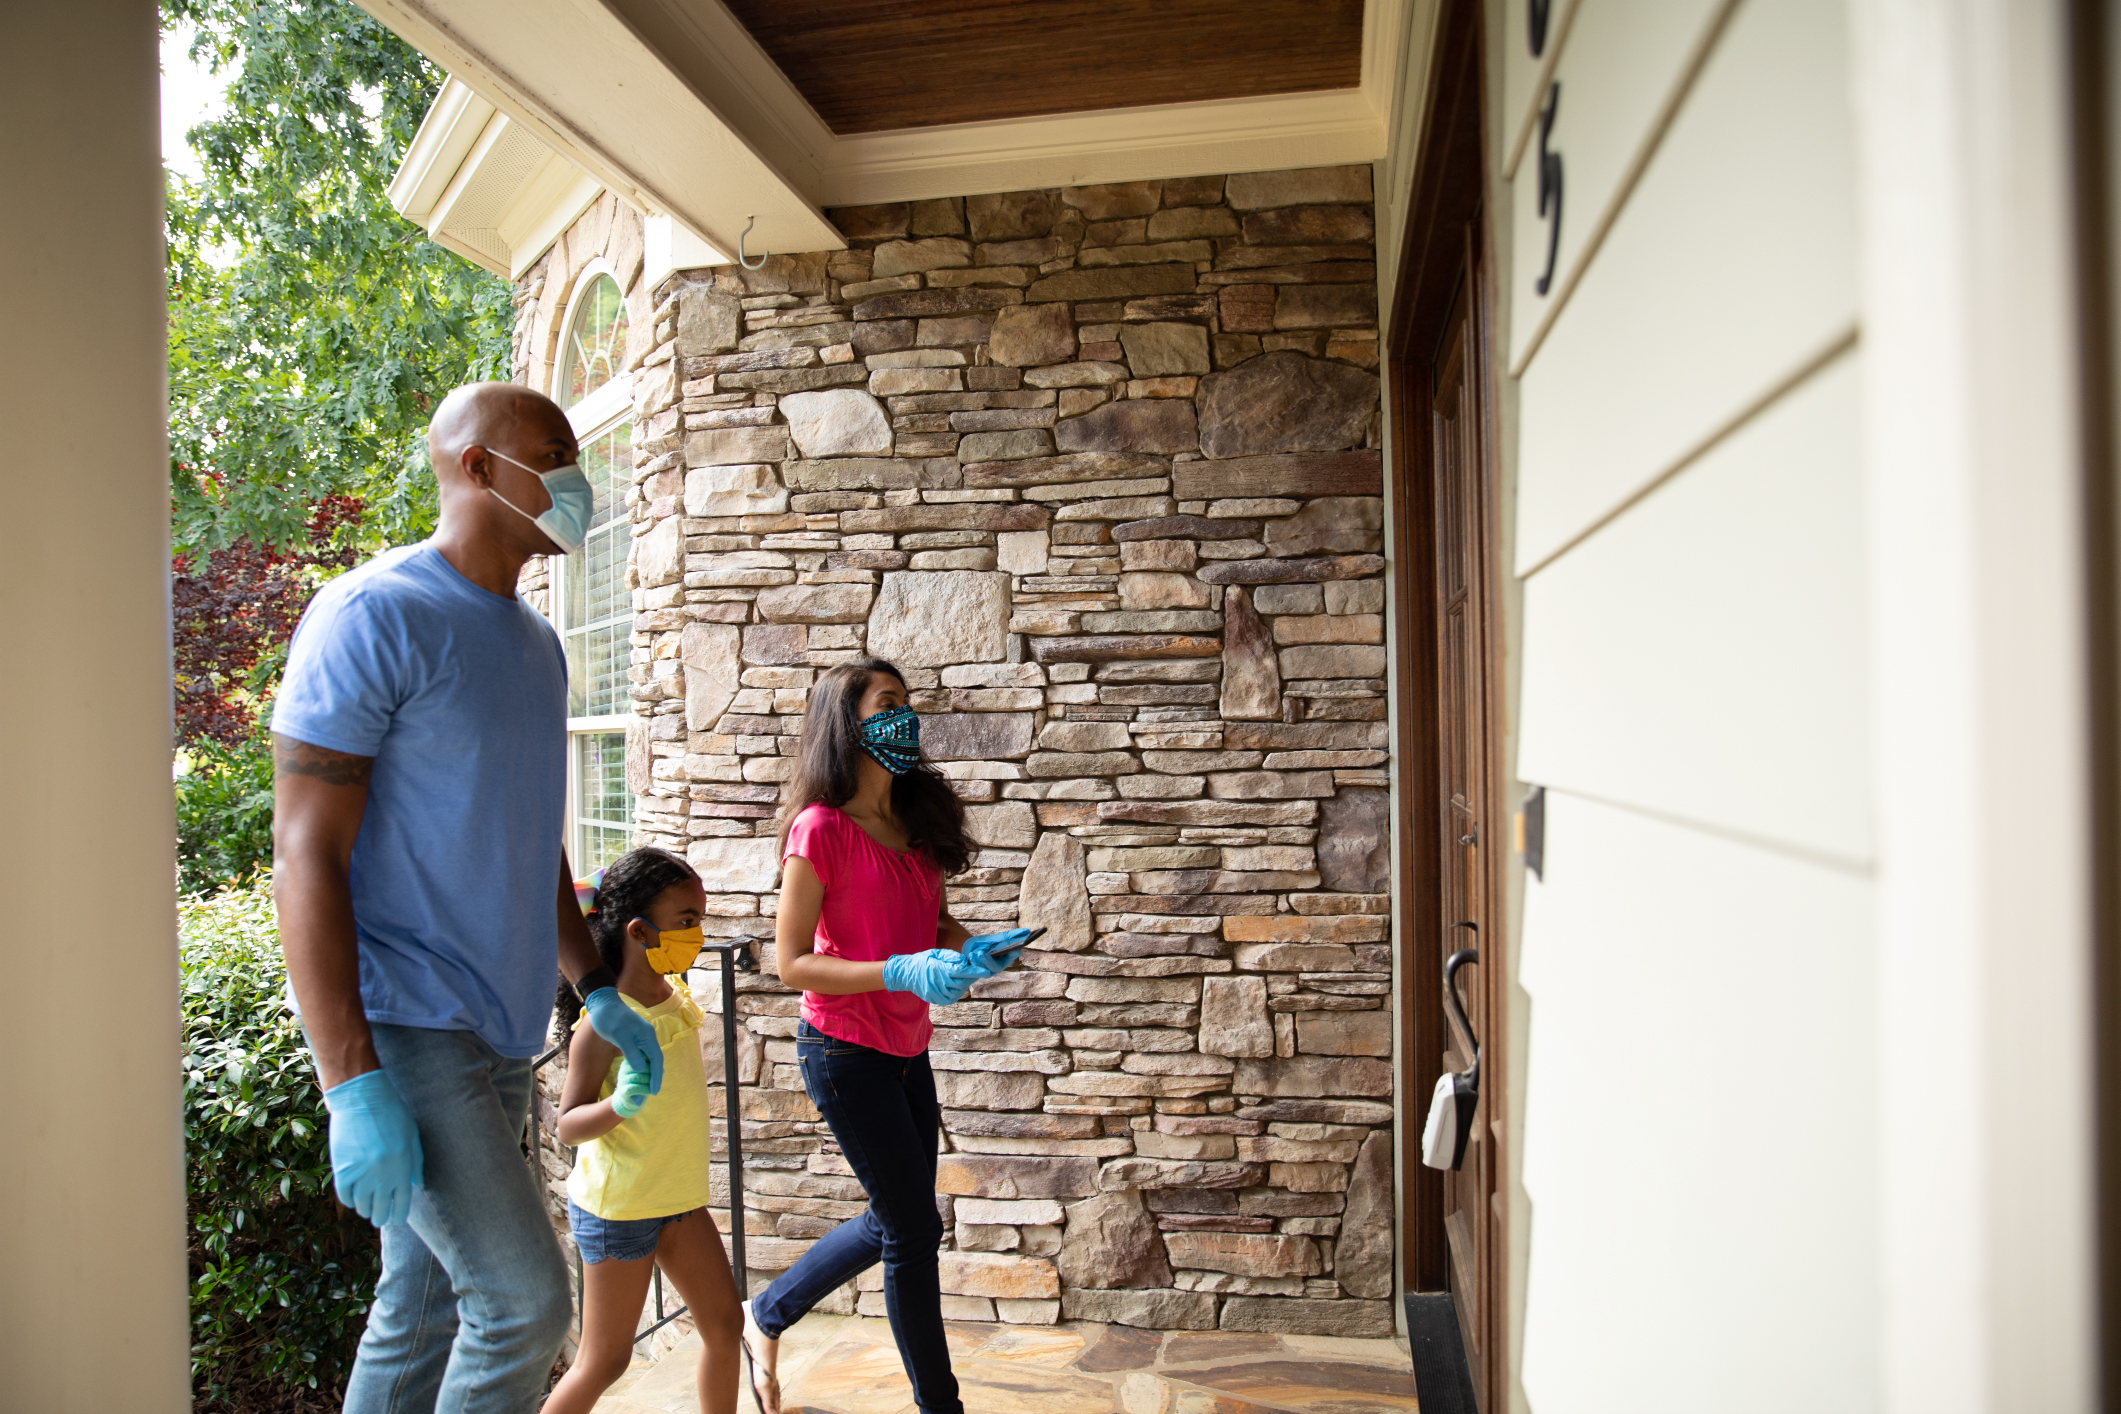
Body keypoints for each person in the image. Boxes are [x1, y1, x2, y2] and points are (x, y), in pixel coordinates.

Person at [271, 382, 669, 1413]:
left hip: (496, 1030)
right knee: (525, 1302)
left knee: (425, 1303)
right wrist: (349, 1082)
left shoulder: (534, 645)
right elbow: (305, 850)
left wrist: (592, 985)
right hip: (405, 1024)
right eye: (556, 452)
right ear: (478, 467)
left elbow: (532, 841)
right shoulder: (374, 613)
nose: (578, 477)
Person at [736, 659, 1031, 1414]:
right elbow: (790, 962)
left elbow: (927, 924)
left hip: (907, 1048)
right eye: (888, 704)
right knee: (910, 1229)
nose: (906, 717)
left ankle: (765, 1314)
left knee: (895, 1215)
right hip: (842, 1053)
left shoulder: (915, 821)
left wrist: (974, 948)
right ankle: (942, 1406)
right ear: (848, 722)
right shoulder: (820, 829)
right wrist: (899, 972)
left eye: (908, 704)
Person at [542, 848, 743, 1414]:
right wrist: (621, 1106)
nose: (698, 933)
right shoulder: (602, 1027)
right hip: (620, 1208)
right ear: (638, 931)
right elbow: (566, 1127)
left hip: (676, 1198)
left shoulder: (671, 997)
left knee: (725, 1325)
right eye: (687, 921)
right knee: (606, 1360)